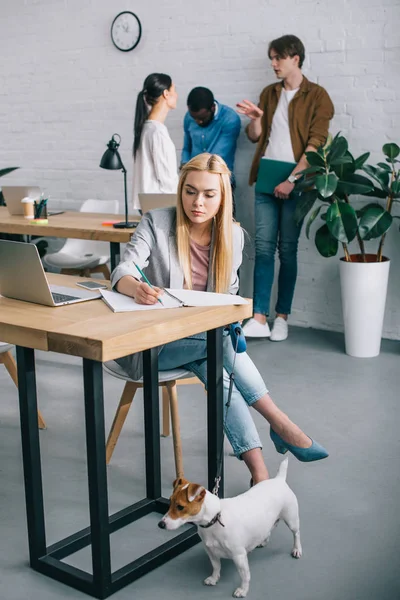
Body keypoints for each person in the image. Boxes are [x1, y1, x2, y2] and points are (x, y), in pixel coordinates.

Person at [111, 153, 328, 485]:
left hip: (202, 343)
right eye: (190, 191)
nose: (197, 202)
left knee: (218, 363)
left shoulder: (233, 236)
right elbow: (124, 268)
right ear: (180, 189)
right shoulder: (156, 222)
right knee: (219, 342)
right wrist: (136, 287)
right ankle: (280, 423)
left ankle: (260, 474)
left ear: (223, 196)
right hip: (149, 345)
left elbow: (229, 297)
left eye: (209, 194)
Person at [237, 35, 334, 341]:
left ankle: (282, 317)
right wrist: (255, 120)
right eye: (272, 58)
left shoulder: (318, 96)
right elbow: (255, 137)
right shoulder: (269, 93)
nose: (273, 64)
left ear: (295, 57)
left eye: (278, 57)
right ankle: (259, 317)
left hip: (297, 181)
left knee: (287, 250)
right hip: (266, 176)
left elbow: (315, 145)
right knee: (263, 248)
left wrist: (291, 181)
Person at [181, 87, 241, 214]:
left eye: (202, 118)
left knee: (222, 225)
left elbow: (216, 157)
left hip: (220, 181)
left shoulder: (230, 118)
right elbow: (187, 147)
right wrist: (184, 165)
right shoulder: (189, 117)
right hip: (193, 181)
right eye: (194, 118)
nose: (198, 121)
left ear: (212, 108)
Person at [132, 73, 179, 210]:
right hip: (161, 205)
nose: (176, 95)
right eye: (174, 90)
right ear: (166, 94)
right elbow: (167, 179)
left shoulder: (145, 128)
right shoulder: (157, 132)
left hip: (148, 204)